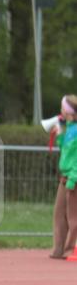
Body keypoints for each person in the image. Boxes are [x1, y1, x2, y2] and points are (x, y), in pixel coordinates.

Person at [49, 94, 77, 258]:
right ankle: (58, 249)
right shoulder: (69, 128)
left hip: (73, 178)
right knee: (59, 214)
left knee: (72, 217)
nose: (61, 111)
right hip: (64, 176)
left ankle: (70, 249)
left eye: (63, 108)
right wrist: (59, 135)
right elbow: (65, 150)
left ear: (69, 111)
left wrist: (73, 177)